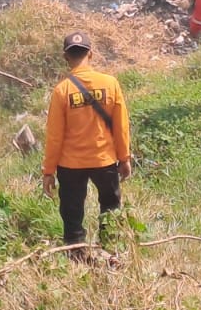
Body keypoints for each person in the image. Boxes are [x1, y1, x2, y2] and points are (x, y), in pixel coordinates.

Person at [42, 32, 133, 255]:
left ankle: (76, 254)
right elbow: (121, 126)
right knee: (111, 208)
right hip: (104, 160)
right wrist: (124, 158)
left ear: (66, 57)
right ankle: (111, 252)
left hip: (70, 165)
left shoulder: (62, 90)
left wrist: (48, 171)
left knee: (72, 213)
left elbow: (55, 135)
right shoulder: (110, 84)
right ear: (91, 54)